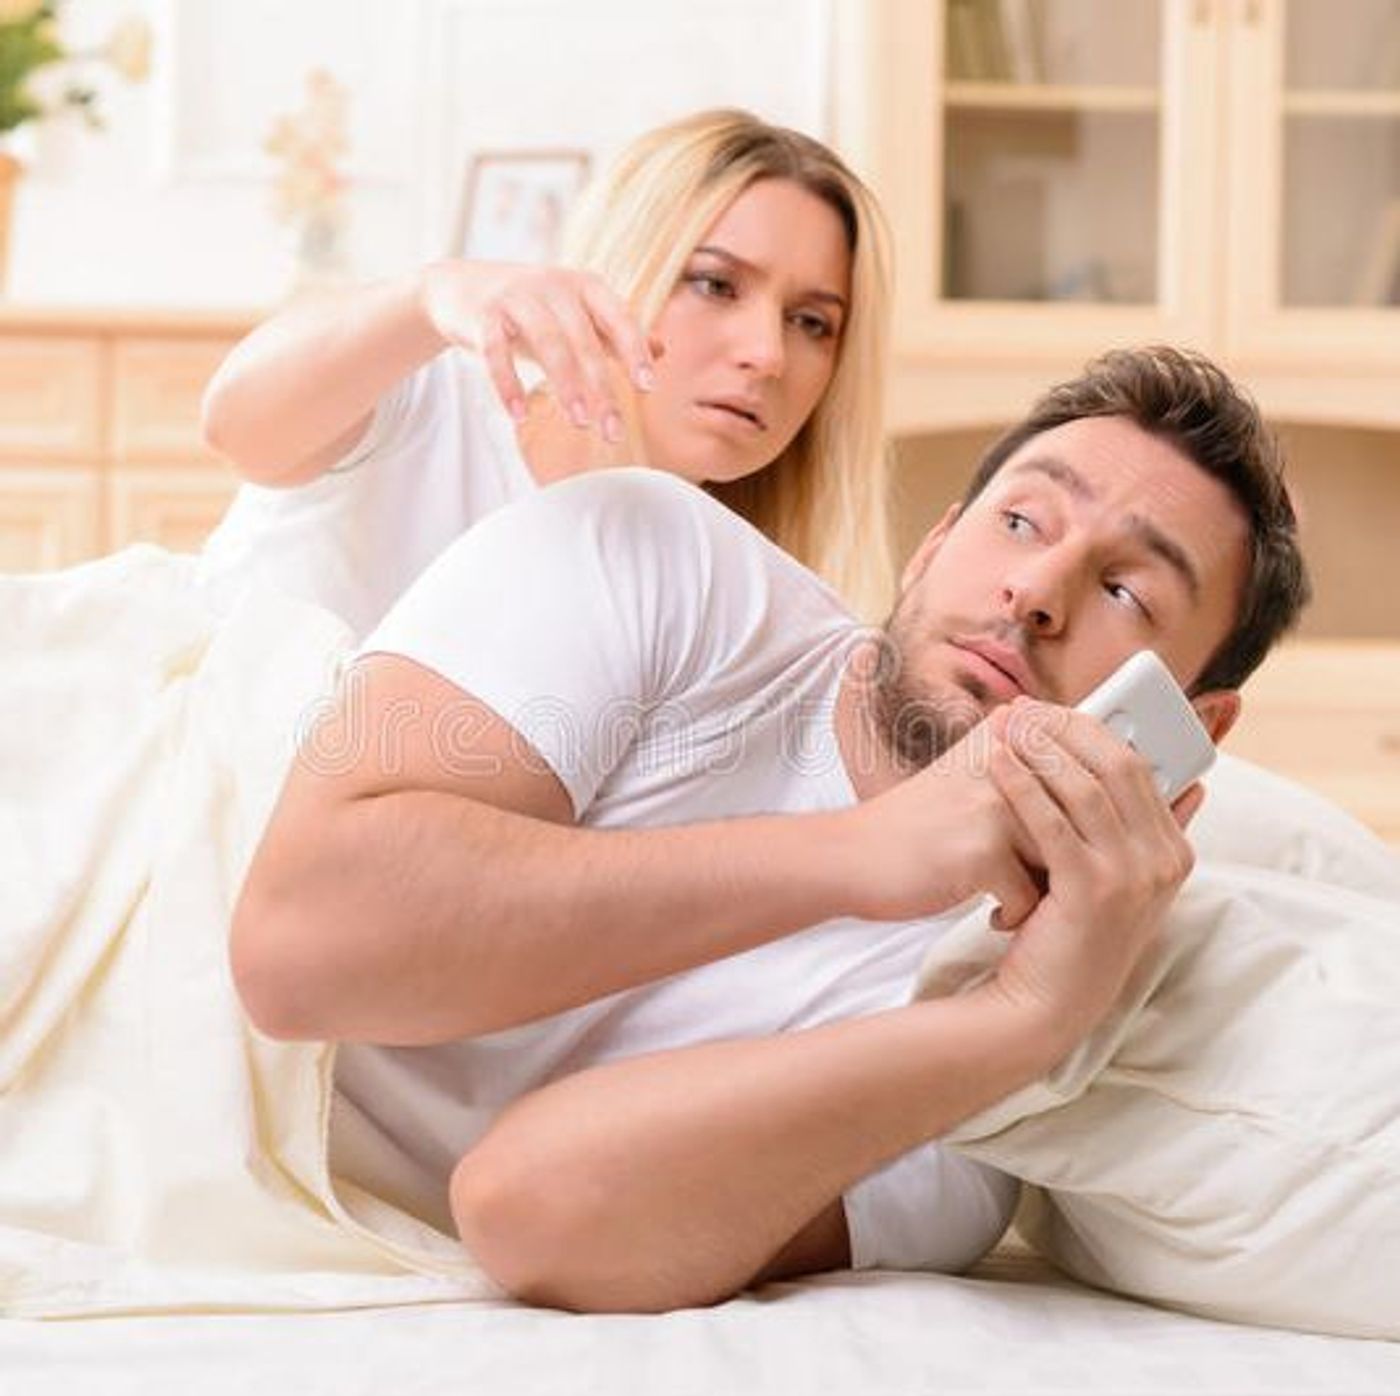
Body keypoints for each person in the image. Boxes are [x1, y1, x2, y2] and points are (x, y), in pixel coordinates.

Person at [230, 345, 1311, 1315]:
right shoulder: (653, 553)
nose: (1035, 590)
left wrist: (1021, 1019)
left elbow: (530, 1211)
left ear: (1194, 729)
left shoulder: (971, 1079)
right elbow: (294, 950)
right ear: (934, 545)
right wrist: (856, 855)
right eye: (1020, 522)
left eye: (1126, 591)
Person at [196, 107, 896, 636]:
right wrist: (426, 296)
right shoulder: (432, 400)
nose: (768, 354)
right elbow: (237, 427)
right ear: (624, 266)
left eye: (812, 322)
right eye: (715, 284)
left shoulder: (727, 596)